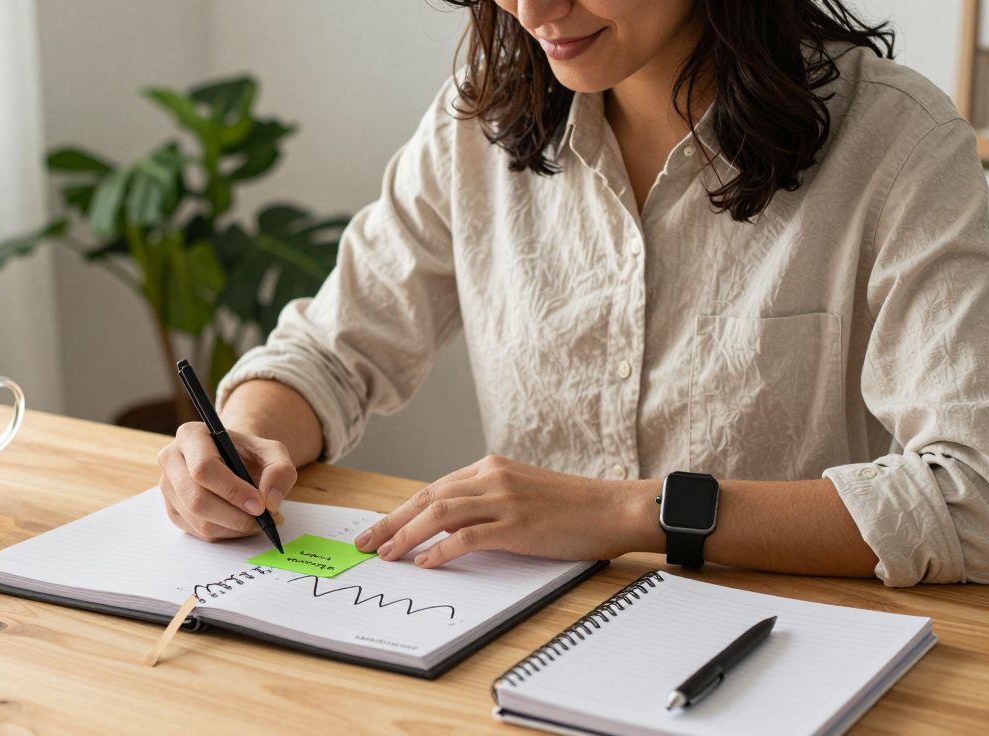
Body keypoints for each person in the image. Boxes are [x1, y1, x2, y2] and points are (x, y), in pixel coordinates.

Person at [156, 0, 989, 586]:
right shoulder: (479, 122)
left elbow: (969, 495)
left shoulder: (898, 147)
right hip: (518, 647)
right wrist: (242, 440)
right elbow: (330, 351)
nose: (532, 9)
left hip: (784, 648)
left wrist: (636, 514)